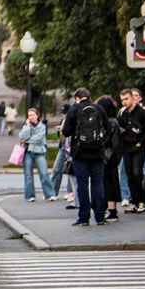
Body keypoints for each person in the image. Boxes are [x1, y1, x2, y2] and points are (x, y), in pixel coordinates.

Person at [60, 88, 108, 226]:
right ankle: (100, 216)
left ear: (77, 98)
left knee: (82, 184)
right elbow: (107, 128)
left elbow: (66, 131)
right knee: (97, 183)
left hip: (80, 152)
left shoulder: (74, 109)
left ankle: (84, 217)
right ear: (89, 96)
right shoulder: (98, 108)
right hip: (97, 152)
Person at [118, 88, 145, 213]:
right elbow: (120, 126)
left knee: (138, 173)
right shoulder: (124, 113)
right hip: (127, 146)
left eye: (127, 99)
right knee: (130, 174)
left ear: (132, 98)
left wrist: (141, 142)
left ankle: (142, 201)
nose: (125, 102)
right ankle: (133, 201)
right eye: (122, 100)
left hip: (138, 147)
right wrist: (121, 131)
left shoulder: (142, 112)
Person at [19, 108, 56, 202]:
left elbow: (39, 138)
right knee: (28, 174)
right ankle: (30, 195)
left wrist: (27, 140)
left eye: (33, 115)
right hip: (28, 152)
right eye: (29, 115)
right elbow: (22, 136)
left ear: (37, 116)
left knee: (44, 173)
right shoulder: (26, 127)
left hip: (39, 152)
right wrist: (27, 127)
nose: (31, 117)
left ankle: (50, 194)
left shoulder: (42, 126)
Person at [95, 95, 122, 223]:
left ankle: (111, 209)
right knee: (108, 182)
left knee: (108, 183)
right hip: (109, 156)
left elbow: (110, 141)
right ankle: (109, 208)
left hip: (107, 156)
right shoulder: (112, 121)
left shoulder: (109, 122)